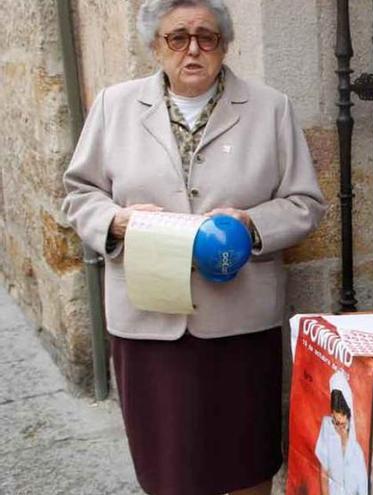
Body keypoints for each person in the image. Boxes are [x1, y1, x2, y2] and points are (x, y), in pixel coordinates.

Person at [61, 1, 326, 493]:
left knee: (247, 458)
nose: (193, 49)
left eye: (207, 37)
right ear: (155, 46)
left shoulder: (271, 108)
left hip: (239, 317)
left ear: (224, 44)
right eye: (177, 37)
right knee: (168, 467)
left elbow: (305, 203)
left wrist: (251, 225)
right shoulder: (114, 106)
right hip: (147, 317)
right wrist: (117, 221)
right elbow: (79, 195)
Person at [314, 371, 368, 495]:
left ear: (349, 419)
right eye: (335, 422)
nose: (338, 428)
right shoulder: (327, 428)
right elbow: (324, 474)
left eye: (342, 424)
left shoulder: (356, 454)